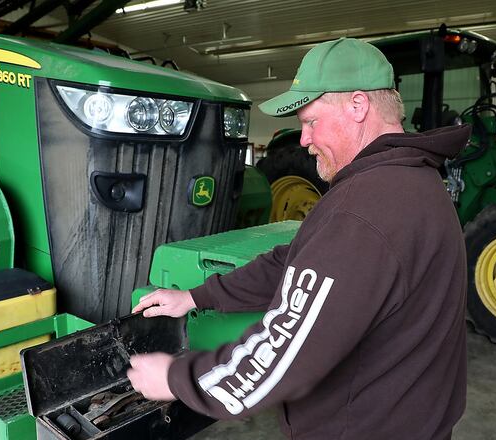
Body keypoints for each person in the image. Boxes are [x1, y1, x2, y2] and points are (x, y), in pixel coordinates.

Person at [127, 37, 470, 439]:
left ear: (357, 106)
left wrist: (175, 377)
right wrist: (194, 297)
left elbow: (284, 352)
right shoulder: (413, 180)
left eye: (311, 122)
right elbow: (294, 261)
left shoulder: (364, 210)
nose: (304, 139)